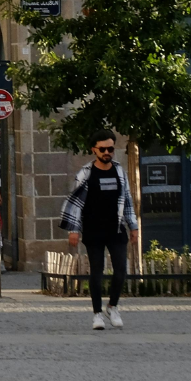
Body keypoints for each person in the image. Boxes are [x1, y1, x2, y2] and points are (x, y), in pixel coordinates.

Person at [60, 129, 140, 330]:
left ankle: (112, 306)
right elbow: (76, 203)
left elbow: (127, 199)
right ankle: (97, 314)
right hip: (94, 229)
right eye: (103, 149)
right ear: (94, 149)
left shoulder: (119, 171)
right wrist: (74, 230)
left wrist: (133, 226)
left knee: (121, 269)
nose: (107, 152)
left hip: (116, 228)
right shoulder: (85, 174)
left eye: (110, 148)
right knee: (97, 271)